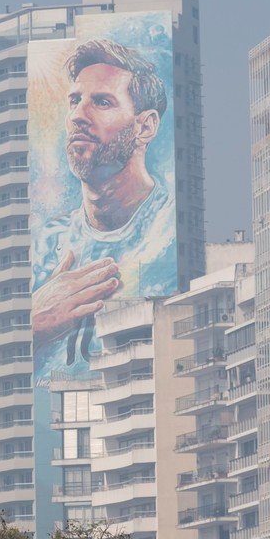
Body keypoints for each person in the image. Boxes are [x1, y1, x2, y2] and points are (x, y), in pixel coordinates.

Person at [33, 37, 175, 381]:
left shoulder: (169, 236)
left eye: (101, 102)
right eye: (74, 101)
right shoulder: (46, 243)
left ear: (145, 126)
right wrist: (33, 323)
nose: (79, 116)